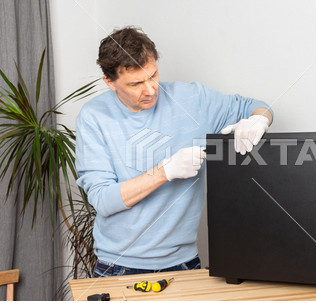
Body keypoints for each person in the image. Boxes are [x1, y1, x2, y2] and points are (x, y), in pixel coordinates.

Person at [75, 26, 273, 277]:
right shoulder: (94, 117)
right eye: (136, 83)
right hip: (118, 267)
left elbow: (256, 106)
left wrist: (259, 120)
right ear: (110, 82)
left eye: (153, 75)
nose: (150, 89)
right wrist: (165, 171)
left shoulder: (193, 99)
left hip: (184, 264)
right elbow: (103, 200)